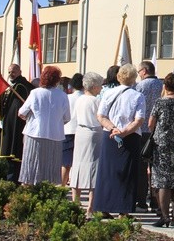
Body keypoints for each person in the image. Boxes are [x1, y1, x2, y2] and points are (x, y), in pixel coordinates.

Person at [93, 63, 146, 218]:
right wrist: (123, 132)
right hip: (130, 137)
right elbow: (139, 120)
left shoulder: (108, 93)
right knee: (127, 173)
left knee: (107, 172)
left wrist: (112, 128)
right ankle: (123, 210)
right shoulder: (137, 96)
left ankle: (104, 207)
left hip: (109, 136)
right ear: (134, 78)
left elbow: (101, 115)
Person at [147, 73, 174, 227]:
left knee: (163, 181)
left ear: (165, 87)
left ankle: (164, 217)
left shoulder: (160, 103)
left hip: (162, 146)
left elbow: (150, 124)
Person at [17, 65, 71, 185]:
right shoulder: (63, 95)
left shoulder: (35, 93)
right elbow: (67, 118)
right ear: (57, 80)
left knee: (31, 167)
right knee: (50, 168)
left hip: (34, 134)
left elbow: (21, 113)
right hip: (55, 135)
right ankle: (47, 192)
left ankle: (28, 192)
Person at [70, 71, 103, 217]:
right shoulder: (97, 101)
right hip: (94, 132)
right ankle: (91, 206)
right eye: (100, 85)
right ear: (95, 86)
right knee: (93, 168)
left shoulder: (80, 99)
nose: (101, 88)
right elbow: (101, 118)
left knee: (77, 165)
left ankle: (75, 202)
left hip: (80, 132)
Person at [0, 63, 34, 183]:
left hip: (17, 126)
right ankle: (11, 179)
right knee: (10, 158)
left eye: (14, 72)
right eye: (9, 72)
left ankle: (14, 180)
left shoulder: (23, 86)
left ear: (20, 72)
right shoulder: (11, 85)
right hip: (9, 125)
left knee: (16, 156)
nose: (11, 74)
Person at [135, 60, 163, 212]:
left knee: (141, 167)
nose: (138, 74)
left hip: (142, 129)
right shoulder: (162, 86)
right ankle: (156, 200)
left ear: (144, 71)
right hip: (158, 131)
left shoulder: (140, 86)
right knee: (155, 168)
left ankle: (141, 200)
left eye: (139, 72)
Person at [62, 72, 84, 186]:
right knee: (79, 162)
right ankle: (77, 187)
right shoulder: (86, 98)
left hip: (67, 129)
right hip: (81, 131)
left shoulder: (67, 97)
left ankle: (61, 186)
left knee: (66, 162)